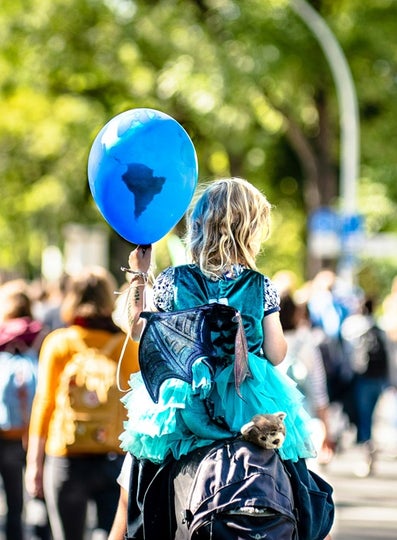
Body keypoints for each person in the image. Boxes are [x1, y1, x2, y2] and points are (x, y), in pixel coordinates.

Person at [118, 178, 317, 537]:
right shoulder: (260, 285)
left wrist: (139, 275)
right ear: (250, 229)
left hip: (185, 399)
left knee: (141, 476)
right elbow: (275, 353)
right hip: (249, 400)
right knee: (298, 480)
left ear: (198, 225)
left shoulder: (172, 281)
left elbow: (136, 331)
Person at [24, 266, 139, 540]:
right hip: (115, 457)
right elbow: (138, 405)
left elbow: (44, 404)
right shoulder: (126, 344)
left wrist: (34, 464)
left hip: (66, 457)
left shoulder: (59, 343)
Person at [0, 279, 47, 540]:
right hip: (35, 432)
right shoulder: (41, 336)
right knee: (39, 498)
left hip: (4, 432)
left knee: (12, 504)